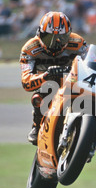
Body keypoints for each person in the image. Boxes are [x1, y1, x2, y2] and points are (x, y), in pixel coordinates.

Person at [19, 11, 88, 145]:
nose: (54, 43)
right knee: (40, 95)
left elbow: (92, 61)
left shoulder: (78, 43)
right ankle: (37, 125)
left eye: (61, 39)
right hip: (49, 85)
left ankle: (89, 135)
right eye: (48, 38)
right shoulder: (30, 49)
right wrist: (45, 76)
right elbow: (26, 82)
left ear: (68, 36)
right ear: (39, 33)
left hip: (74, 81)